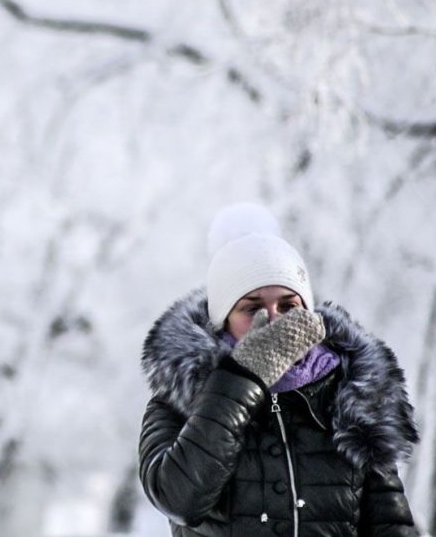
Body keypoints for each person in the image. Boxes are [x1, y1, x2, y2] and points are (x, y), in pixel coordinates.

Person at [138, 203, 419, 536]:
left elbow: (389, 524)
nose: (274, 319)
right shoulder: (180, 398)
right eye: (252, 307)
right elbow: (178, 499)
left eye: (288, 305)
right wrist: (243, 378)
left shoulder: (351, 395)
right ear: (223, 318)